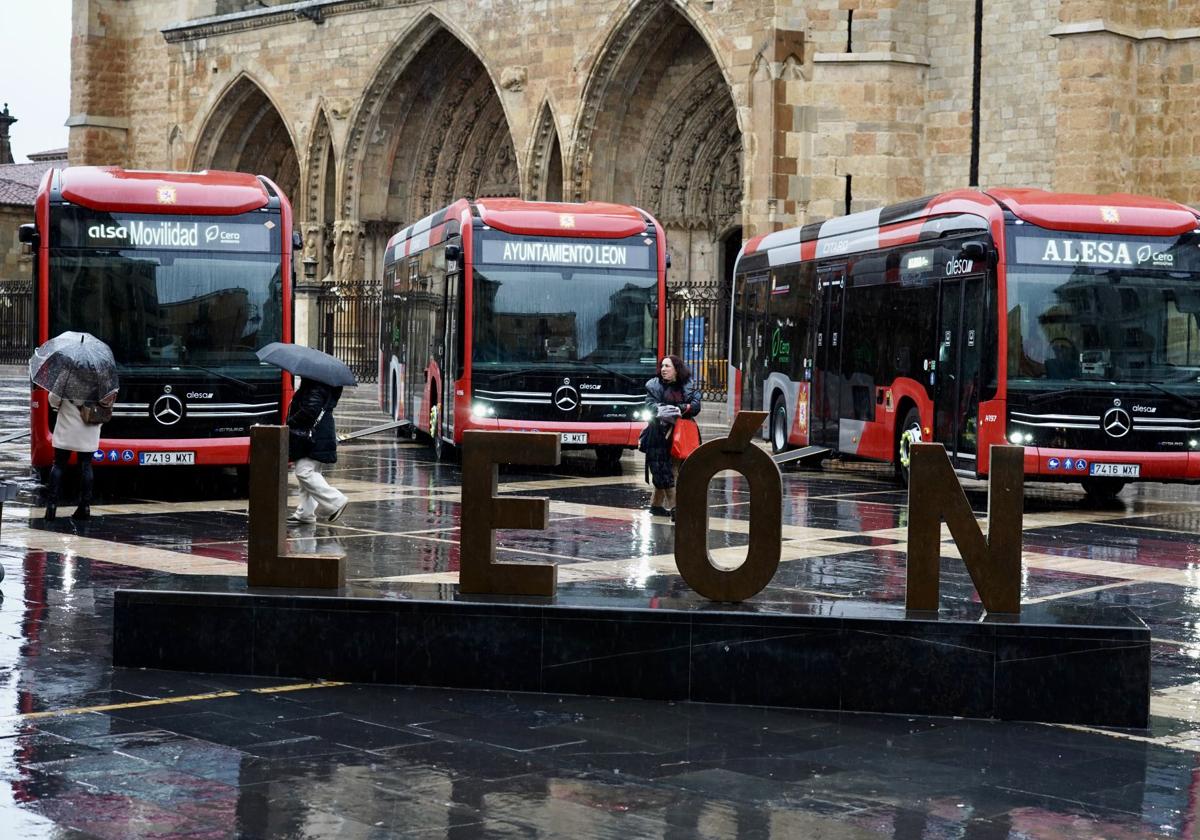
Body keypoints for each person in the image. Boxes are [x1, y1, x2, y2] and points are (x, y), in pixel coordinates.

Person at [643, 355, 701, 518]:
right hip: (659, 434)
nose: (663, 369)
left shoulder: (688, 385)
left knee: (674, 469)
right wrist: (661, 409)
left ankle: (656, 505)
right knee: (663, 470)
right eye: (662, 366)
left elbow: (696, 406)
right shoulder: (654, 386)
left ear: (677, 369)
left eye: (667, 366)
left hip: (682, 434)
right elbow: (649, 404)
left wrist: (681, 408)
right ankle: (676, 509)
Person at [286, 377, 349, 524]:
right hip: (318, 433)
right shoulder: (319, 383)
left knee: (304, 472)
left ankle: (336, 501)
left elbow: (310, 409)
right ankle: (305, 513)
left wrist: (291, 422)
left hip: (314, 435)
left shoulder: (316, 384)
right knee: (310, 472)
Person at [44, 393, 105, 521]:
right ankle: (85, 507)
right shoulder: (99, 377)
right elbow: (105, 401)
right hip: (89, 426)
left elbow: (53, 400)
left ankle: (51, 506)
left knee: (59, 464)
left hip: (67, 426)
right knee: (86, 465)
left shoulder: (66, 375)